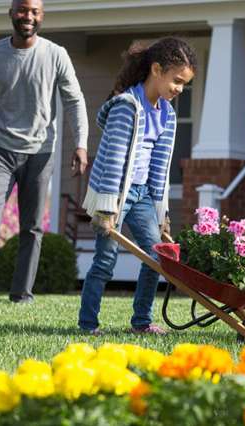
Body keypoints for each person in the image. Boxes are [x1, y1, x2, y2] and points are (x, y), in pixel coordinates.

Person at [0, 0, 89, 305]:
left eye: (35, 11)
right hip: (0, 149)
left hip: (41, 152)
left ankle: (22, 294)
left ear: (42, 16)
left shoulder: (55, 55)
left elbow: (74, 101)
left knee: (32, 226)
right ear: (12, 13)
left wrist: (80, 143)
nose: (28, 17)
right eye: (23, 10)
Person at [78, 37, 196, 335]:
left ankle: (141, 323)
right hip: (115, 194)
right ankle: (88, 324)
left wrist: (161, 211)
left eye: (184, 84)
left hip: (143, 193)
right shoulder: (126, 108)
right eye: (177, 81)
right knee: (105, 261)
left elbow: (160, 167)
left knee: (155, 258)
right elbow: (113, 161)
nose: (179, 89)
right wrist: (106, 209)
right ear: (157, 69)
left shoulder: (167, 114)